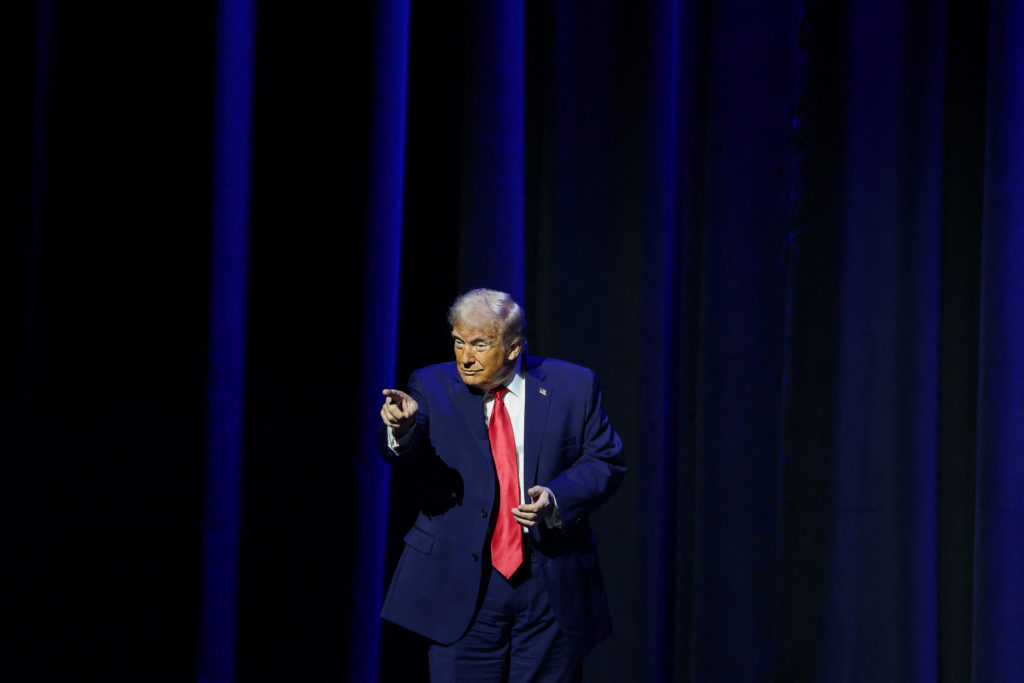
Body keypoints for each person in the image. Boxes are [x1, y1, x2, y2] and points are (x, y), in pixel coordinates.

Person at [378, 288, 626, 681]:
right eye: (459, 342)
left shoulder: (573, 386)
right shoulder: (430, 384)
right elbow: (411, 446)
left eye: (480, 343)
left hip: (549, 585)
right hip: (462, 585)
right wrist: (403, 429)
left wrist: (557, 497)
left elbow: (605, 459)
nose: (466, 356)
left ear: (513, 348)